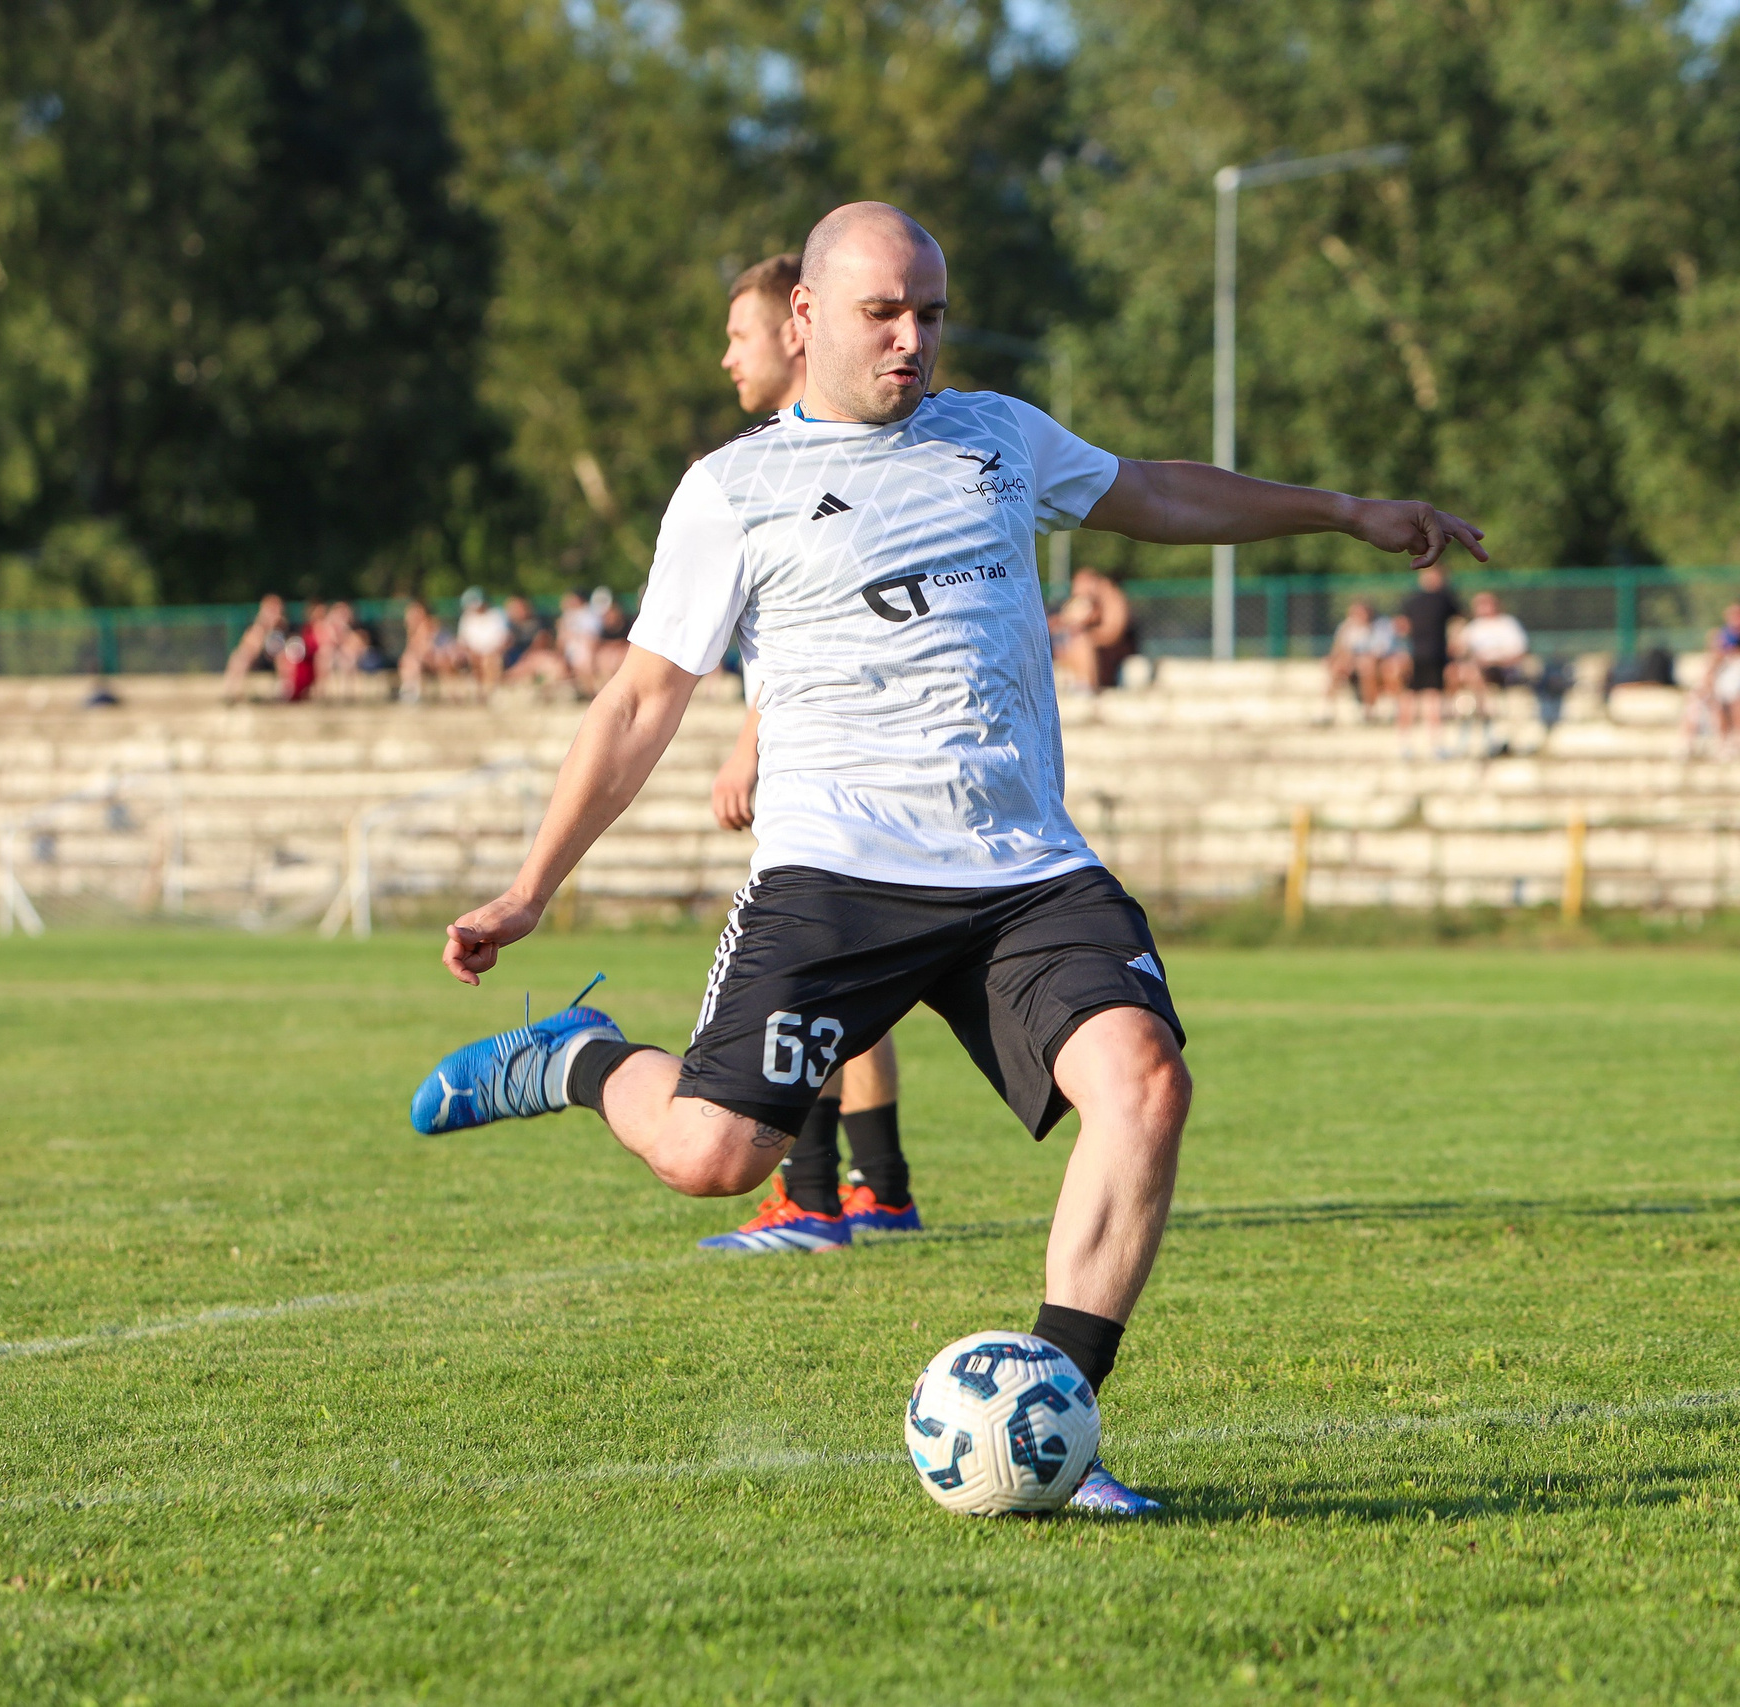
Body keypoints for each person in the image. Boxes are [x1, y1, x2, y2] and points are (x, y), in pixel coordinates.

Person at [409, 200, 1483, 1516]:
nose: (914, 338)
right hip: (835, 878)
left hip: (1025, 869)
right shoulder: (731, 490)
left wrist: (1338, 508)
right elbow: (638, 702)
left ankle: (1061, 1429)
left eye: (929, 311)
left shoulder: (998, 436)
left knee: (1144, 1086)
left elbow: (1149, 490)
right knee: (711, 1157)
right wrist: (531, 886)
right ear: (804, 319)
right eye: (883, 313)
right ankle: (574, 1057)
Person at [702, 247, 922, 1255]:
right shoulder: (792, 463)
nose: (726, 357)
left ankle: (812, 1195)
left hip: (839, 777)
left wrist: (750, 740)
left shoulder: (805, 470)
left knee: (820, 989)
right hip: (874, 779)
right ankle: (874, 1188)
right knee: (856, 1000)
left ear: (796, 330)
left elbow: (825, 638)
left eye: (738, 333)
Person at [1391, 564, 1460, 758]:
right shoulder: (1414, 600)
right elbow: (1400, 627)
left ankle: (1435, 745)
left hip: (1435, 656)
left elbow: (1457, 625)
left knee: (1432, 700)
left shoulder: (1446, 599)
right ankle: (1405, 745)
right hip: (1416, 656)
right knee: (1408, 700)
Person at [1450, 589, 1530, 751]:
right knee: (1457, 671)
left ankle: (1477, 719)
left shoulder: (1507, 623)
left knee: (1475, 672)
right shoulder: (1474, 627)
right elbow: (1457, 651)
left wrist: (1494, 660)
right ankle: (1463, 714)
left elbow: (1519, 652)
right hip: (1478, 671)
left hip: (1502, 670)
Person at [1691, 602, 1740, 757]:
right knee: (1715, 699)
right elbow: (1718, 656)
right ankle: (1723, 740)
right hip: (1728, 678)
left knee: (1738, 696)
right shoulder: (1724, 634)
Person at [1325, 598, 1398, 713]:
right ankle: (1328, 708)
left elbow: (1380, 652)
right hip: (1353, 663)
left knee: (1367, 666)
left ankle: (1369, 708)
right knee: (1337, 667)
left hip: (1377, 664)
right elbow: (1340, 648)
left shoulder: (1381, 625)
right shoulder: (1347, 626)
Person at [221, 596, 286, 704]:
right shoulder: (257, 628)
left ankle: (284, 692)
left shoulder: (283, 626)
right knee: (239, 656)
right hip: (260, 658)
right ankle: (231, 691)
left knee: (283, 658)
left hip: (278, 658)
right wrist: (263, 627)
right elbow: (248, 644)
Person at [456, 588, 511, 699]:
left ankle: (489, 693)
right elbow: (462, 642)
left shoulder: (497, 615)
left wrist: (490, 652)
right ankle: (476, 693)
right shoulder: (467, 618)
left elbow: (505, 639)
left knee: (489, 660)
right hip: (474, 653)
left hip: (493, 653)